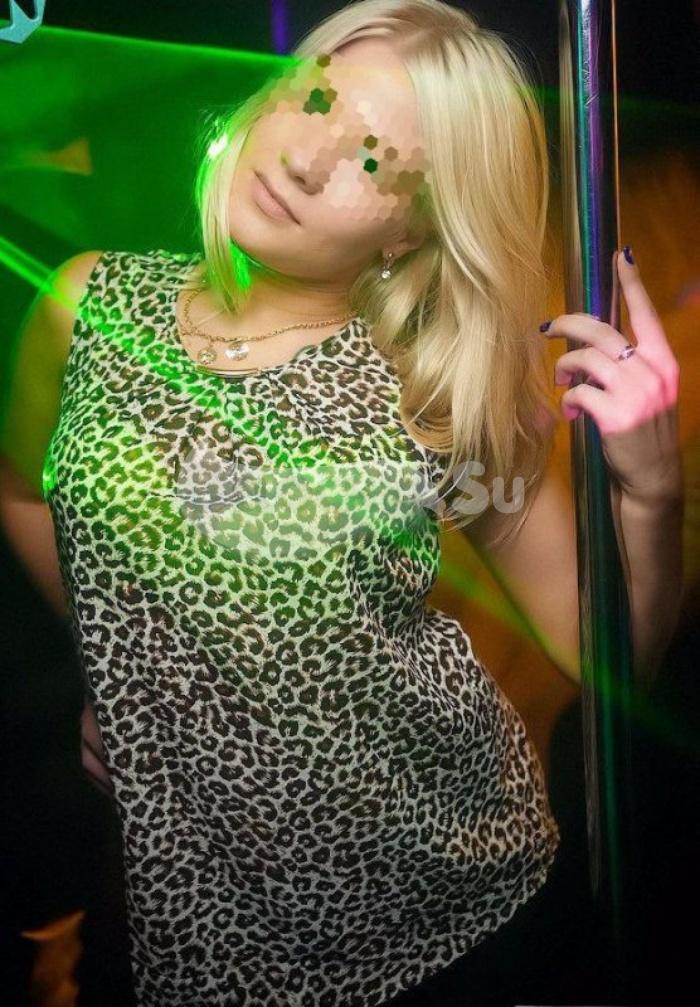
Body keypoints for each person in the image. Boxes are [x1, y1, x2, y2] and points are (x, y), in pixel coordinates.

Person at [0, 1, 683, 1005]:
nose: (308, 158)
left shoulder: (430, 388)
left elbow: (605, 651)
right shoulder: (85, 303)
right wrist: (137, 668)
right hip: (189, 936)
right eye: (316, 100)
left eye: (375, 161)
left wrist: (652, 494)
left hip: (452, 919)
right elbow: (24, 491)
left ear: (413, 230)